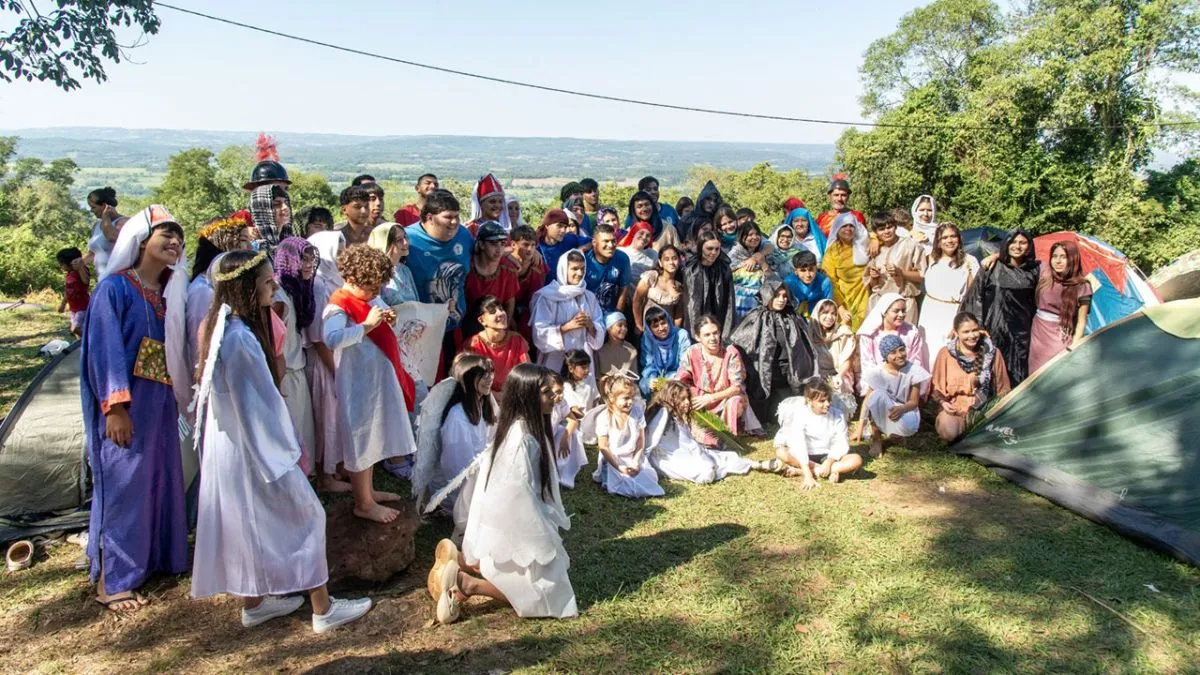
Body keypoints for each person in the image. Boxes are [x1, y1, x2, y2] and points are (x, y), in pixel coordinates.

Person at [189, 250, 372, 633]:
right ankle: (323, 609)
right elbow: (256, 406)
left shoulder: (223, 328)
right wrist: (285, 455)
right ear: (246, 287)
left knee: (247, 522)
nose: (275, 288)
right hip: (258, 449)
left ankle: (254, 603)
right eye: (268, 282)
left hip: (235, 448)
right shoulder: (238, 339)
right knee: (307, 515)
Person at [80, 205, 190, 612]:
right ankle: (112, 581)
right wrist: (115, 409)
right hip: (127, 406)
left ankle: (156, 559)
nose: (175, 243)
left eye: (179, 237)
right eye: (167, 235)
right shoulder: (114, 290)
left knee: (158, 478)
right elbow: (105, 353)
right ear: (142, 241)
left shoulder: (164, 295)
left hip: (159, 401)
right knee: (125, 486)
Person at [426, 363, 578, 624]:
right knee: (552, 597)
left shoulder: (526, 428)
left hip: (511, 525)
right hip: (515, 529)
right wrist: (540, 536)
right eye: (547, 393)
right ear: (527, 395)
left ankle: (464, 563)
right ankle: (468, 583)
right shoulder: (521, 438)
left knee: (554, 583)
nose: (554, 398)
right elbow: (514, 501)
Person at [322, 246, 416, 523]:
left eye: (378, 288)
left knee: (374, 435)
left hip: (376, 379)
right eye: (370, 288)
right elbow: (332, 339)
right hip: (358, 382)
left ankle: (369, 491)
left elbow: (379, 310)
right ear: (351, 279)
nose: (375, 294)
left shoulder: (368, 297)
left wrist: (388, 316)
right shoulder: (338, 305)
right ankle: (363, 503)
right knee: (362, 438)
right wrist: (366, 326)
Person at [959, 229, 1039, 386]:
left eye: (1022, 242)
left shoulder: (1035, 270)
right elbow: (975, 296)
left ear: (1029, 246)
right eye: (1013, 242)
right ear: (1006, 244)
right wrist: (977, 327)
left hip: (1021, 332)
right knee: (991, 369)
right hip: (994, 327)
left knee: (1017, 371)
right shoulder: (992, 267)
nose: (1017, 246)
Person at [645, 380, 765, 484]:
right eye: (682, 399)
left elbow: (687, 442)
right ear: (671, 398)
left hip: (685, 454)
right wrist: (646, 466)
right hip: (666, 459)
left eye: (687, 398)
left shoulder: (677, 415)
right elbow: (650, 442)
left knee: (724, 457)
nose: (687, 402)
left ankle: (755, 464)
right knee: (706, 472)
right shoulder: (663, 413)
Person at [405, 189, 475, 367]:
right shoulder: (408, 239)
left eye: (457, 217)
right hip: (420, 330)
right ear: (429, 218)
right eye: (448, 217)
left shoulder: (464, 235)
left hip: (455, 325)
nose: (454, 222)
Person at [730, 281, 818, 420]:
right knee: (763, 413)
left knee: (786, 413)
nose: (781, 300)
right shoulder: (756, 316)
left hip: (787, 374)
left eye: (784, 296)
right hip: (762, 373)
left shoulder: (792, 317)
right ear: (767, 296)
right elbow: (740, 341)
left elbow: (804, 346)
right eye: (777, 296)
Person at [306, 231, 350, 493]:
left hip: (337, 358)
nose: (343, 255)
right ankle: (326, 475)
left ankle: (340, 464)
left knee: (338, 414)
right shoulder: (319, 285)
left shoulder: (335, 279)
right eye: (339, 249)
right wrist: (335, 370)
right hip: (326, 362)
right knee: (327, 416)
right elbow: (319, 337)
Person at [271, 237, 319, 473]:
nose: (309, 264)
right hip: (287, 374)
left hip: (297, 370)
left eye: (311, 259)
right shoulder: (279, 297)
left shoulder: (296, 291)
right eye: (303, 259)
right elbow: (274, 344)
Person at [675, 314, 763, 442]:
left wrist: (710, 398)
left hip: (725, 397)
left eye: (715, 333)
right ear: (698, 337)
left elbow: (736, 387)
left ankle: (728, 435)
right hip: (701, 396)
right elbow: (681, 378)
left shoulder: (731, 352)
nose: (713, 338)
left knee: (736, 401)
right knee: (681, 393)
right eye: (707, 335)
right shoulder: (692, 352)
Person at [931, 312, 1012, 442]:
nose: (972, 336)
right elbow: (937, 388)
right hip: (955, 409)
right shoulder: (945, 353)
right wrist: (944, 403)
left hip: (984, 409)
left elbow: (1003, 388)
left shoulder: (992, 353)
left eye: (975, 330)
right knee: (950, 432)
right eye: (966, 332)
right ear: (956, 333)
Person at [431, 356, 497, 503]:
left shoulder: (483, 405)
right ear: (466, 378)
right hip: (459, 491)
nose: (490, 378)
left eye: (491, 373)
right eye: (483, 374)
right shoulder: (457, 416)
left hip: (477, 477)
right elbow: (455, 467)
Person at [853, 335, 930, 457]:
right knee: (877, 395)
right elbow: (868, 400)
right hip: (884, 409)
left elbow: (913, 402)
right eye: (893, 352)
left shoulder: (914, 371)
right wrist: (860, 426)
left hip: (905, 409)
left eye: (901, 350)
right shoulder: (877, 372)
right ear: (886, 357)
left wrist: (902, 409)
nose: (899, 355)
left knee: (909, 425)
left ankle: (896, 433)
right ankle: (876, 437)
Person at [773, 381, 861, 487]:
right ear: (810, 401)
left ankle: (807, 471)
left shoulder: (837, 415)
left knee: (856, 460)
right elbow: (798, 444)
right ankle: (822, 471)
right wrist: (807, 475)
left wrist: (829, 462)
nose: (827, 404)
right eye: (822, 401)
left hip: (829, 455)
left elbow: (841, 442)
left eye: (829, 400)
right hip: (807, 455)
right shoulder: (800, 414)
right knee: (781, 452)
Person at [531, 250, 605, 376]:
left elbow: (599, 328)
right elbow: (539, 334)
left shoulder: (589, 296)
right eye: (574, 269)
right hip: (555, 360)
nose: (579, 273)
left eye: (582, 269)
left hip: (584, 362)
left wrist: (590, 325)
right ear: (563, 269)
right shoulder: (548, 296)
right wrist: (568, 327)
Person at [593, 375, 663, 499]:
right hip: (613, 459)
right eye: (625, 398)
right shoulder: (604, 417)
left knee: (647, 479)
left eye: (631, 398)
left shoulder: (636, 412)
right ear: (612, 398)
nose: (630, 402)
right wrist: (619, 467)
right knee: (624, 485)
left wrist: (636, 460)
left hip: (631, 456)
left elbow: (640, 440)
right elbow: (603, 446)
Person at [1028, 241, 1093, 374]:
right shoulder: (1045, 273)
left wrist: (1074, 346)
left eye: (1063, 257)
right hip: (1038, 334)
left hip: (1060, 336)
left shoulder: (1082, 285)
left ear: (1072, 259)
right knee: (1034, 375)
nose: (1058, 261)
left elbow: (1081, 321)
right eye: (1054, 256)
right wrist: (994, 256)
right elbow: (1020, 257)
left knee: (1055, 373)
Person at [918, 223, 978, 349]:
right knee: (929, 352)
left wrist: (961, 321)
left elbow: (972, 295)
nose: (949, 241)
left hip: (955, 311)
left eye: (953, 236)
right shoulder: (929, 259)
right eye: (944, 238)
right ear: (938, 242)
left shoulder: (969, 261)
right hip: (931, 312)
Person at [857, 292, 929, 393]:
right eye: (896, 311)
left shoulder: (911, 332)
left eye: (903, 311)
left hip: (904, 381)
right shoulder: (870, 334)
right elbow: (868, 364)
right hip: (877, 381)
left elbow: (916, 361)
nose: (901, 315)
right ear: (884, 312)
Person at [864, 211, 927, 324]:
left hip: (904, 304)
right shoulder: (875, 250)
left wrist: (901, 272)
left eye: (889, 227)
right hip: (880, 303)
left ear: (895, 227)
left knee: (904, 340)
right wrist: (874, 277)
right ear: (876, 232)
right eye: (882, 229)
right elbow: (873, 285)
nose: (886, 231)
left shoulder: (911, 245)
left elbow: (922, 276)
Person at [464, 295, 530, 397]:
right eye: (492, 311)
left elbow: (527, 375)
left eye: (501, 308)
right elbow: (468, 381)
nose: (500, 313)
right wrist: (493, 395)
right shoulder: (472, 345)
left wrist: (508, 396)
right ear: (481, 320)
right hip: (482, 398)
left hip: (512, 398)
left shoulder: (516, 340)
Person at [822, 211, 871, 330]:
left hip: (866, 295)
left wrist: (874, 239)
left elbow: (881, 237)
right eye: (844, 226)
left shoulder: (864, 244)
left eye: (851, 226)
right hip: (844, 299)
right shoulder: (832, 252)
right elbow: (830, 281)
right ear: (837, 229)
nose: (848, 229)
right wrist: (840, 308)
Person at [807, 299, 858, 412]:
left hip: (838, 373)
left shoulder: (844, 333)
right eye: (825, 313)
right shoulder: (810, 332)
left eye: (834, 314)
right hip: (817, 373)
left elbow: (847, 360)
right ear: (817, 314)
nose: (830, 317)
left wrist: (839, 375)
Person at [682, 231, 735, 339]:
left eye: (717, 249)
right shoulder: (691, 270)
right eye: (709, 249)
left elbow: (729, 302)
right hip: (696, 316)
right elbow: (691, 304)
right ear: (701, 248)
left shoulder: (724, 269)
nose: (714, 252)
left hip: (718, 314)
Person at [466, 221, 519, 321]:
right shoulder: (467, 267)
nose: (499, 249)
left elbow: (509, 302)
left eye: (502, 244)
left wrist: (504, 326)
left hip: (495, 322)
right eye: (493, 244)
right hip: (467, 322)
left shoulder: (509, 270)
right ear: (481, 244)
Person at [728, 222, 778, 322]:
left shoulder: (763, 253)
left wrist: (760, 261)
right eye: (750, 234)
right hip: (737, 303)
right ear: (742, 237)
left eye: (757, 234)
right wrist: (748, 262)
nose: (754, 237)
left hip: (758, 304)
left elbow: (774, 281)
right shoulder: (735, 253)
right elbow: (728, 272)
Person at [632, 245, 687, 333]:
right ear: (660, 263)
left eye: (674, 258)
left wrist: (676, 332)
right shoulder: (652, 277)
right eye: (666, 259)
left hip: (667, 331)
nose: (671, 262)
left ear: (679, 261)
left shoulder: (679, 285)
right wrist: (638, 324)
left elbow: (679, 313)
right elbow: (637, 300)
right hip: (648, 328)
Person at [507, 224, 546, 349]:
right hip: (503, 307)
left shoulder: (537, 265)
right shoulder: (505, 264)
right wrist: (509, 318)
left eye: (533, 245)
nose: (530, 249)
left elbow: (536, 298)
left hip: (526, 309)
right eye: (525, 245)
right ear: (513, 244)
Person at [639, 305, 691, 397]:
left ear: (669, 321)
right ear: (650, 329)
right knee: (644, 384)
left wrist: (670, 380)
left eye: (663, 323)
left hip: (676, 376)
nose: (661, 328)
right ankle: (653, 408)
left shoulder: (681, 335)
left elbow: (685, 363)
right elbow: (648, 364)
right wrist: (652, 380)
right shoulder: (647, 338)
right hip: (657, 378)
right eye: (655, 326)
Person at [548, 372, 588, 489]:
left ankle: (563, 472)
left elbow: (573, 421)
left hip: (552, 434)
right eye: (557, 392)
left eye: (562, 392)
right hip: (541, 439)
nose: (560, 396)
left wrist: (565, 437)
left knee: (571, 432)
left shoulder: (561, 402)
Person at [584, 223, 632, 315]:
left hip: (611, 310)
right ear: (594, 243)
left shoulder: (622, 258)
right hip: (588, 311)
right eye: (606, 241)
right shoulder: (585, 261)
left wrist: (618, 315)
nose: (611, 245)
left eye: (613, 241)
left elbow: (624, 289)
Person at [367, 223, 420, 305]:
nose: (405, 242)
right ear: (384, 244)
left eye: (405, 237)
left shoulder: (404, 270)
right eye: (399, 240)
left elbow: (416, 302)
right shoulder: (375, 273)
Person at [537, 208, 591, 283]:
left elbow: (594, 242)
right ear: (547, 225)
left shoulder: (568, 239)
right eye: (559, 226)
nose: (563, 230)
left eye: (565, 227)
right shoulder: (536, 245)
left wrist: (579, 250)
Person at [85, 186, 127, 278]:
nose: (91, 210)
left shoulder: (123, 222)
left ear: (104, 206)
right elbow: (93, 253)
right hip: (102, 279)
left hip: (118, 278)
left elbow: (111, 237)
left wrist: (105, 216)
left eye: (93, 207)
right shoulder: (96, 226)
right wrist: (79, 263)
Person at [783, 250, 834, 319]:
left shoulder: (824, 282)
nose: (808, 275)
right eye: (803, 270)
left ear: (816, 268)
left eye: (811, 269)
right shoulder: (789, 283)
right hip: (795, 319)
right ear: (796, 271)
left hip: (818, 318)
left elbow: (828, 306)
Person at [815, 173, 865, 237]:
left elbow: (864, 239)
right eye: (836, 195)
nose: (839, 199)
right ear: (830, 197)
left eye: (843, 195)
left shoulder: (857, 216)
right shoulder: (822, 218)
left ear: (848, 197)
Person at [248, 184, 293, 252]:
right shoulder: (252, 248)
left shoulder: (292, 242)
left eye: (286, 203)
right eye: (276, 204)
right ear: (262, 210)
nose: (285, 207)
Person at [56, 247, 90, 337]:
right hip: (73, 308)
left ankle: (90, 342)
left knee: (76, 328)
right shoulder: (69, 274)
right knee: (76, 330)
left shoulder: (81, 270)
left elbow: (86, 281)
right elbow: (67, 290)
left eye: (62, 264)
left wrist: (80, 267)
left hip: (83, 307)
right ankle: (82, 346)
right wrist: (63, 304)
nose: (61, 266)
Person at [596, 312, 638, 381]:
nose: (624, 329)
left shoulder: (631, 350)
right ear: (609, 329)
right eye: (620, 325)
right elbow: (598, 378)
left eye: (625, 326)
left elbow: (633, 377)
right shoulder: (599, 350)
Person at [617, 220, 659, 284]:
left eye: (648, 235)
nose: (644, 237)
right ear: (633, 233)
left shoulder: (653, 255)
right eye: (641, 233)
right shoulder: (620, 252)